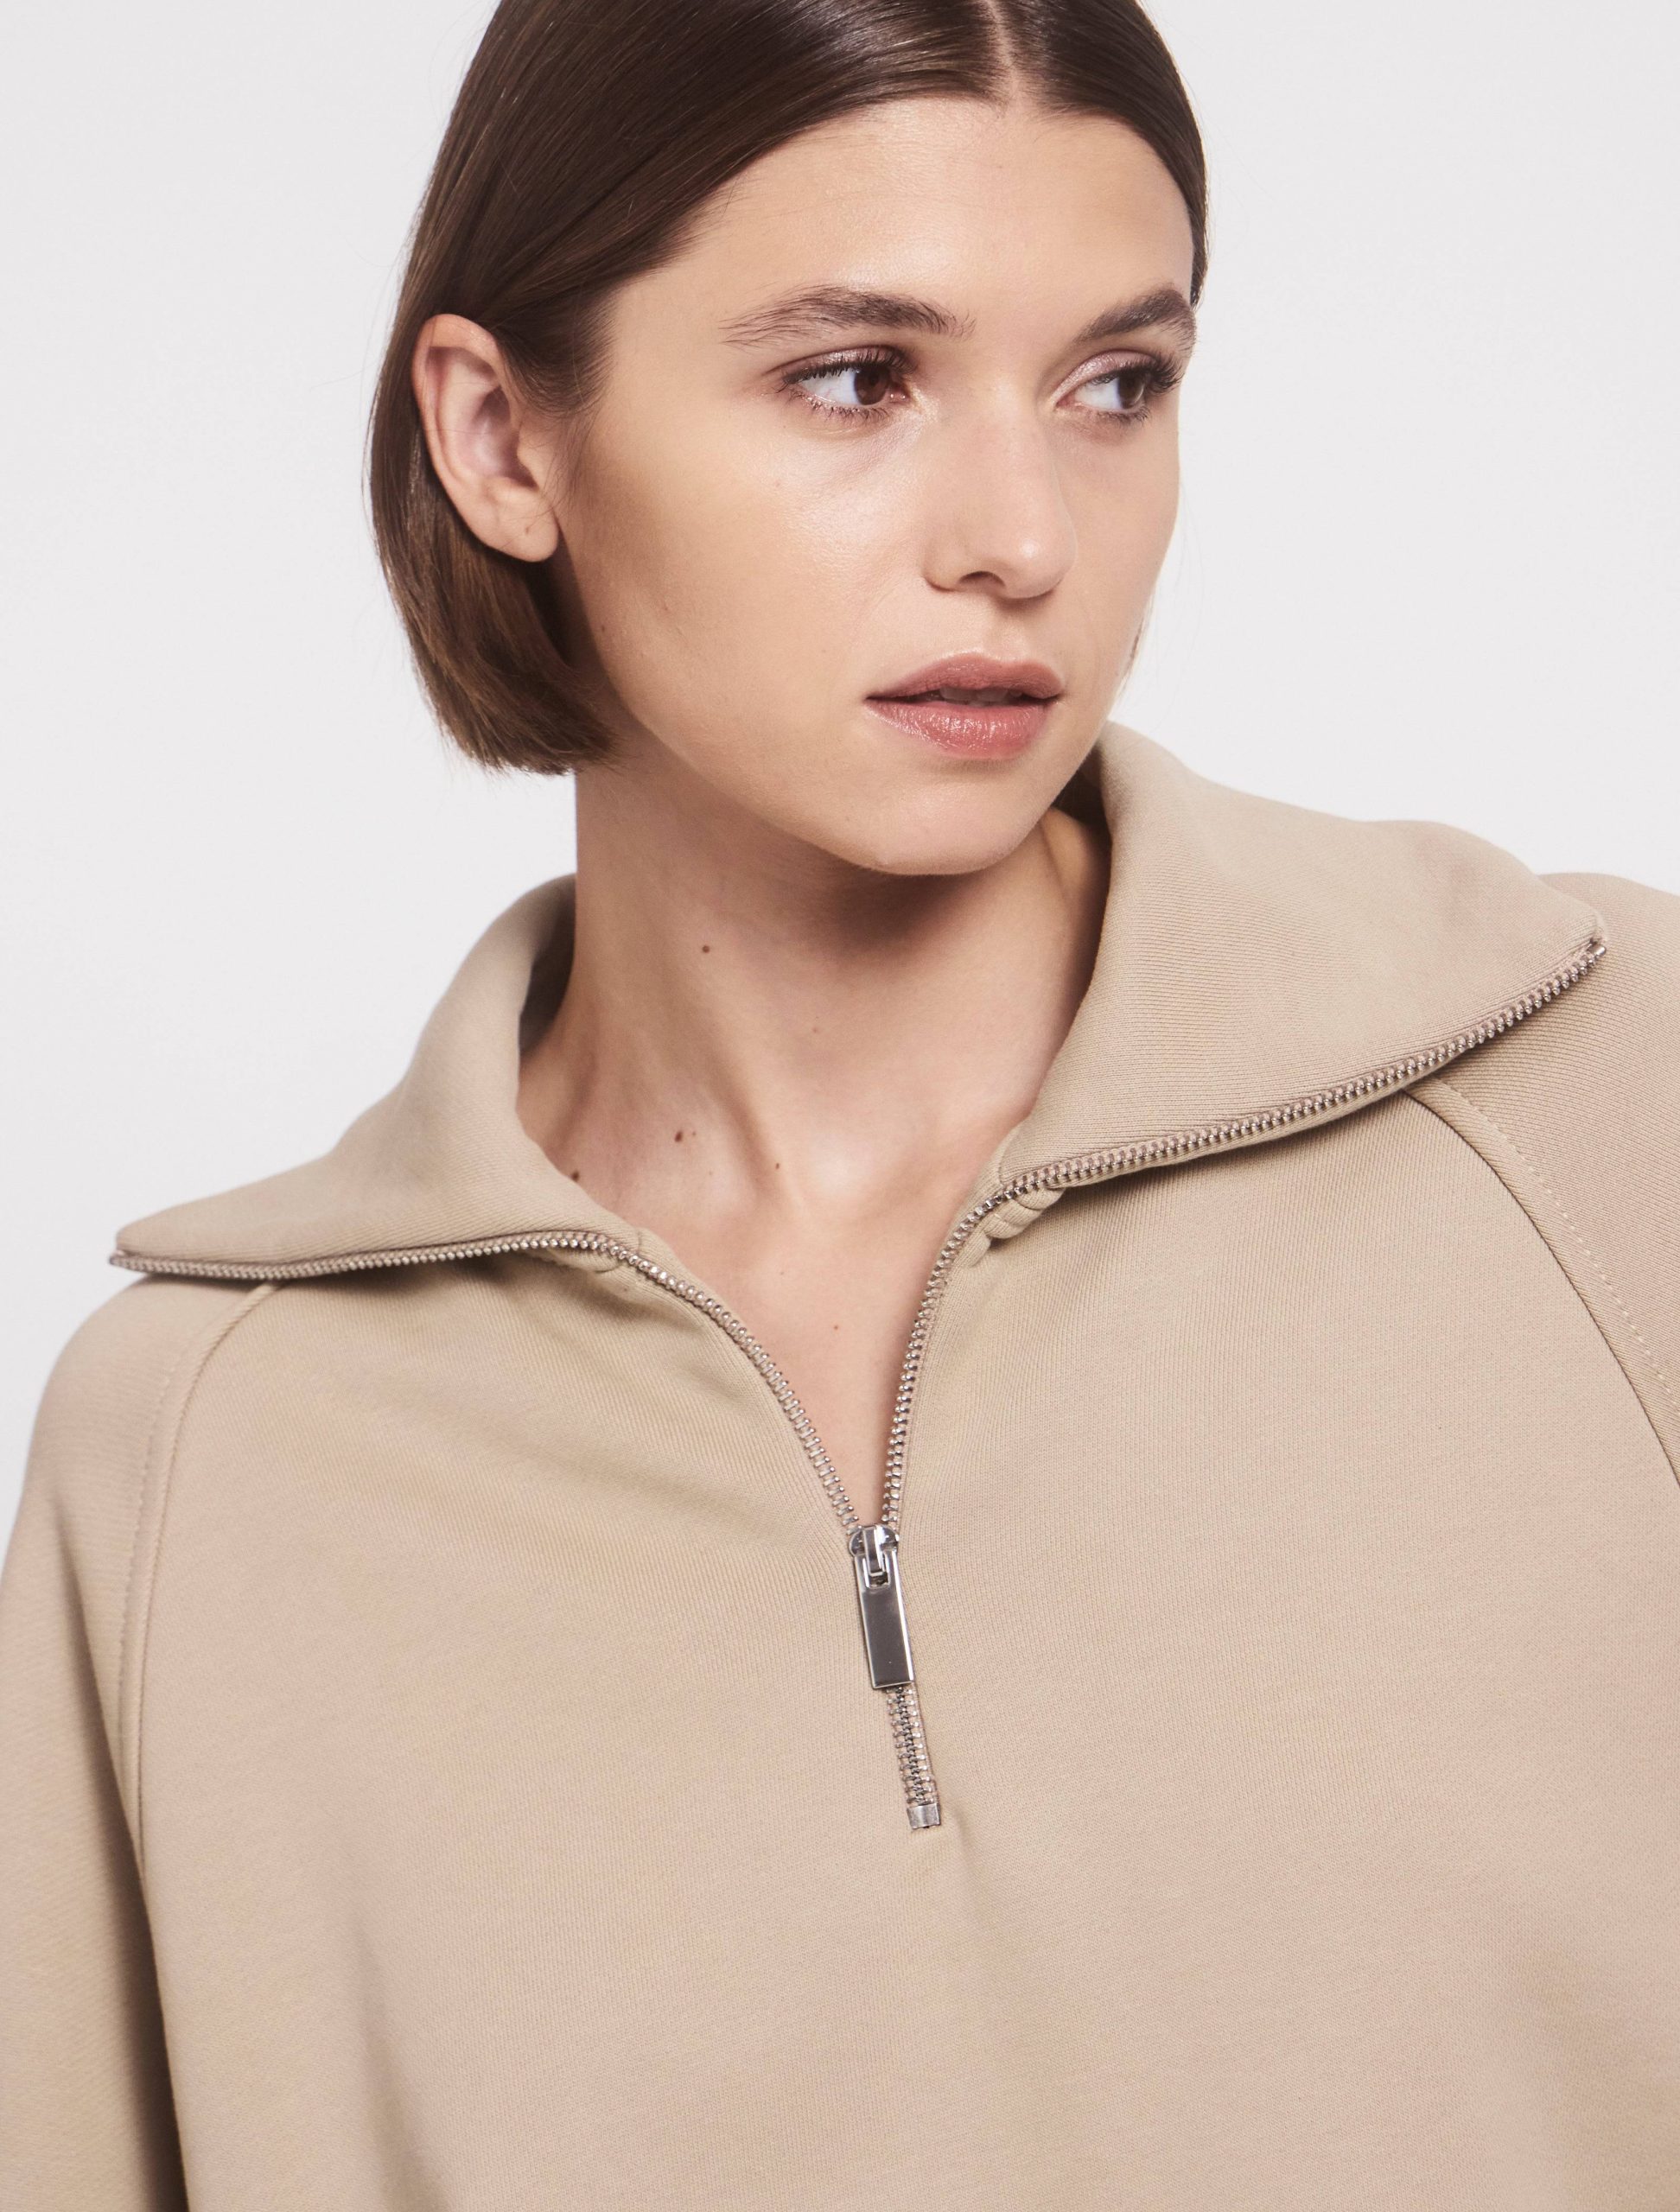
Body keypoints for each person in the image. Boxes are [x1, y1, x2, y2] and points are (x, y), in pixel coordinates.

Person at [3, 0, 1677, 2203]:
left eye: (1116, 384)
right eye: (857, 378)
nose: (1021, 536)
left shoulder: (1608, 1112)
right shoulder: (207, 1457)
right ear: (501, 437)